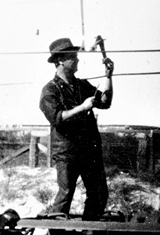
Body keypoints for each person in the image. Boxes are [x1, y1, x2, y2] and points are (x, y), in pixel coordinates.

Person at [39, 37, 114, 222]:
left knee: (98, 192)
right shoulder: (50, 90)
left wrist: (108, 77)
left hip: (89, 149)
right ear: (60, 61)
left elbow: (105, 102)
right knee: (66, 193)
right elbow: (57, 118)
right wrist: (82, 107)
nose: (77, 59)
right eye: (73, 56)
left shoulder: (82, 86)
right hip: (67, 151)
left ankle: (90, 230)